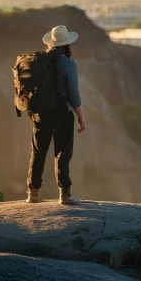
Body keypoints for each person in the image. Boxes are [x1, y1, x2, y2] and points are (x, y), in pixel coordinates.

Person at [26, 25, 86, 204]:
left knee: (38, 152)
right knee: (63, 153)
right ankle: (65, 194)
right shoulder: (68, 64)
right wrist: (81, 116)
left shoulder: (37, 61)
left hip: (39, 114)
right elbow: (73, 94)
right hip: (61, 113)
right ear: (66, 45)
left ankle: (33, 193)